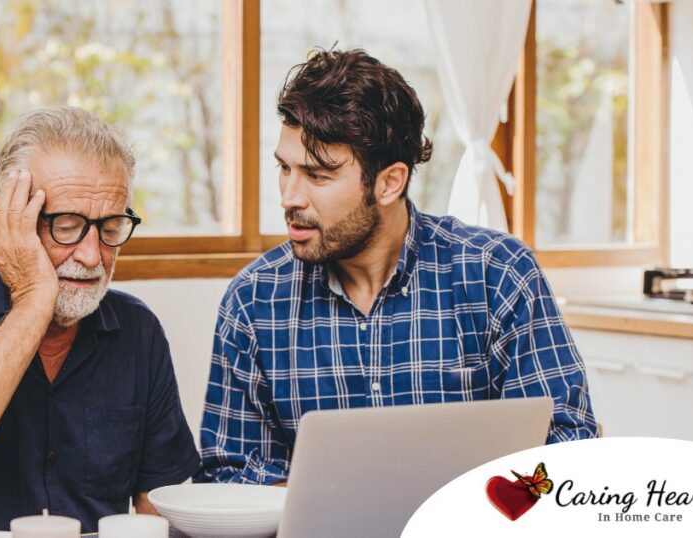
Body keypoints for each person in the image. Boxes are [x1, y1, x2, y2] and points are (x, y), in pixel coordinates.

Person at [196, 49, 597, 485]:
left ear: (389, 182)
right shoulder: (254, 299)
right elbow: (228, 471)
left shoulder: (496, 274)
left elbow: (567, 444)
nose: (289, 197)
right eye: (284, 168)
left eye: (317, 175)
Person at [0, 107, 199, 536]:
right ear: (4, 217)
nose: (91, 255)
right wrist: (33, 301)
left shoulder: (138, 332)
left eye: (110, 227)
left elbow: (160, 510)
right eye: (66, 226)